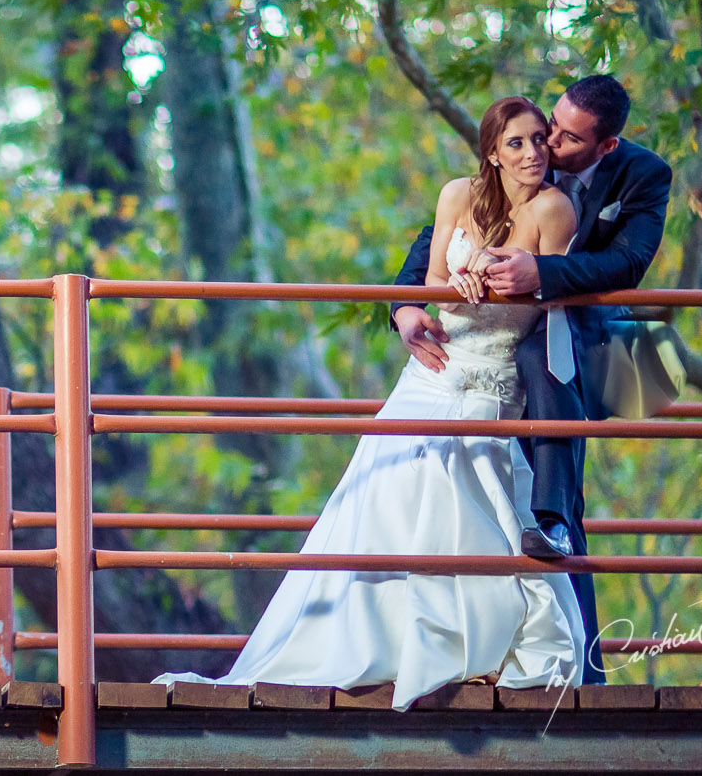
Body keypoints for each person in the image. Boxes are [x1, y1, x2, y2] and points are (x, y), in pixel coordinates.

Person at [156, 97, 584, 711]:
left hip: (490, 372)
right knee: (384, 487)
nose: (533, 153)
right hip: (435, 363)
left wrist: (492, 284)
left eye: (540, 140)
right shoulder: (457, 195)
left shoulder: (554, 208)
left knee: (469, 495)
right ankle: (375, 636)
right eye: (516, 143)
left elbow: (544, 294)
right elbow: (431, 276)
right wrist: (443, 291)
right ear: (492, 152)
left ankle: (472, 639)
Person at [391, 75, 673, 684]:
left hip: (579, 336)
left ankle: (578, 665)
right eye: (549, 125)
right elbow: (436, 242)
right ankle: (480, 643)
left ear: (606, 147)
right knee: (474, 497)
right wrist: (404, 304)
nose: (547, 145)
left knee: (557, 499)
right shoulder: (516, 147)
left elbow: (628, 262)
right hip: (482, 339)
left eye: (567, 137)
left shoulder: (644, 175)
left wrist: (541, 272)